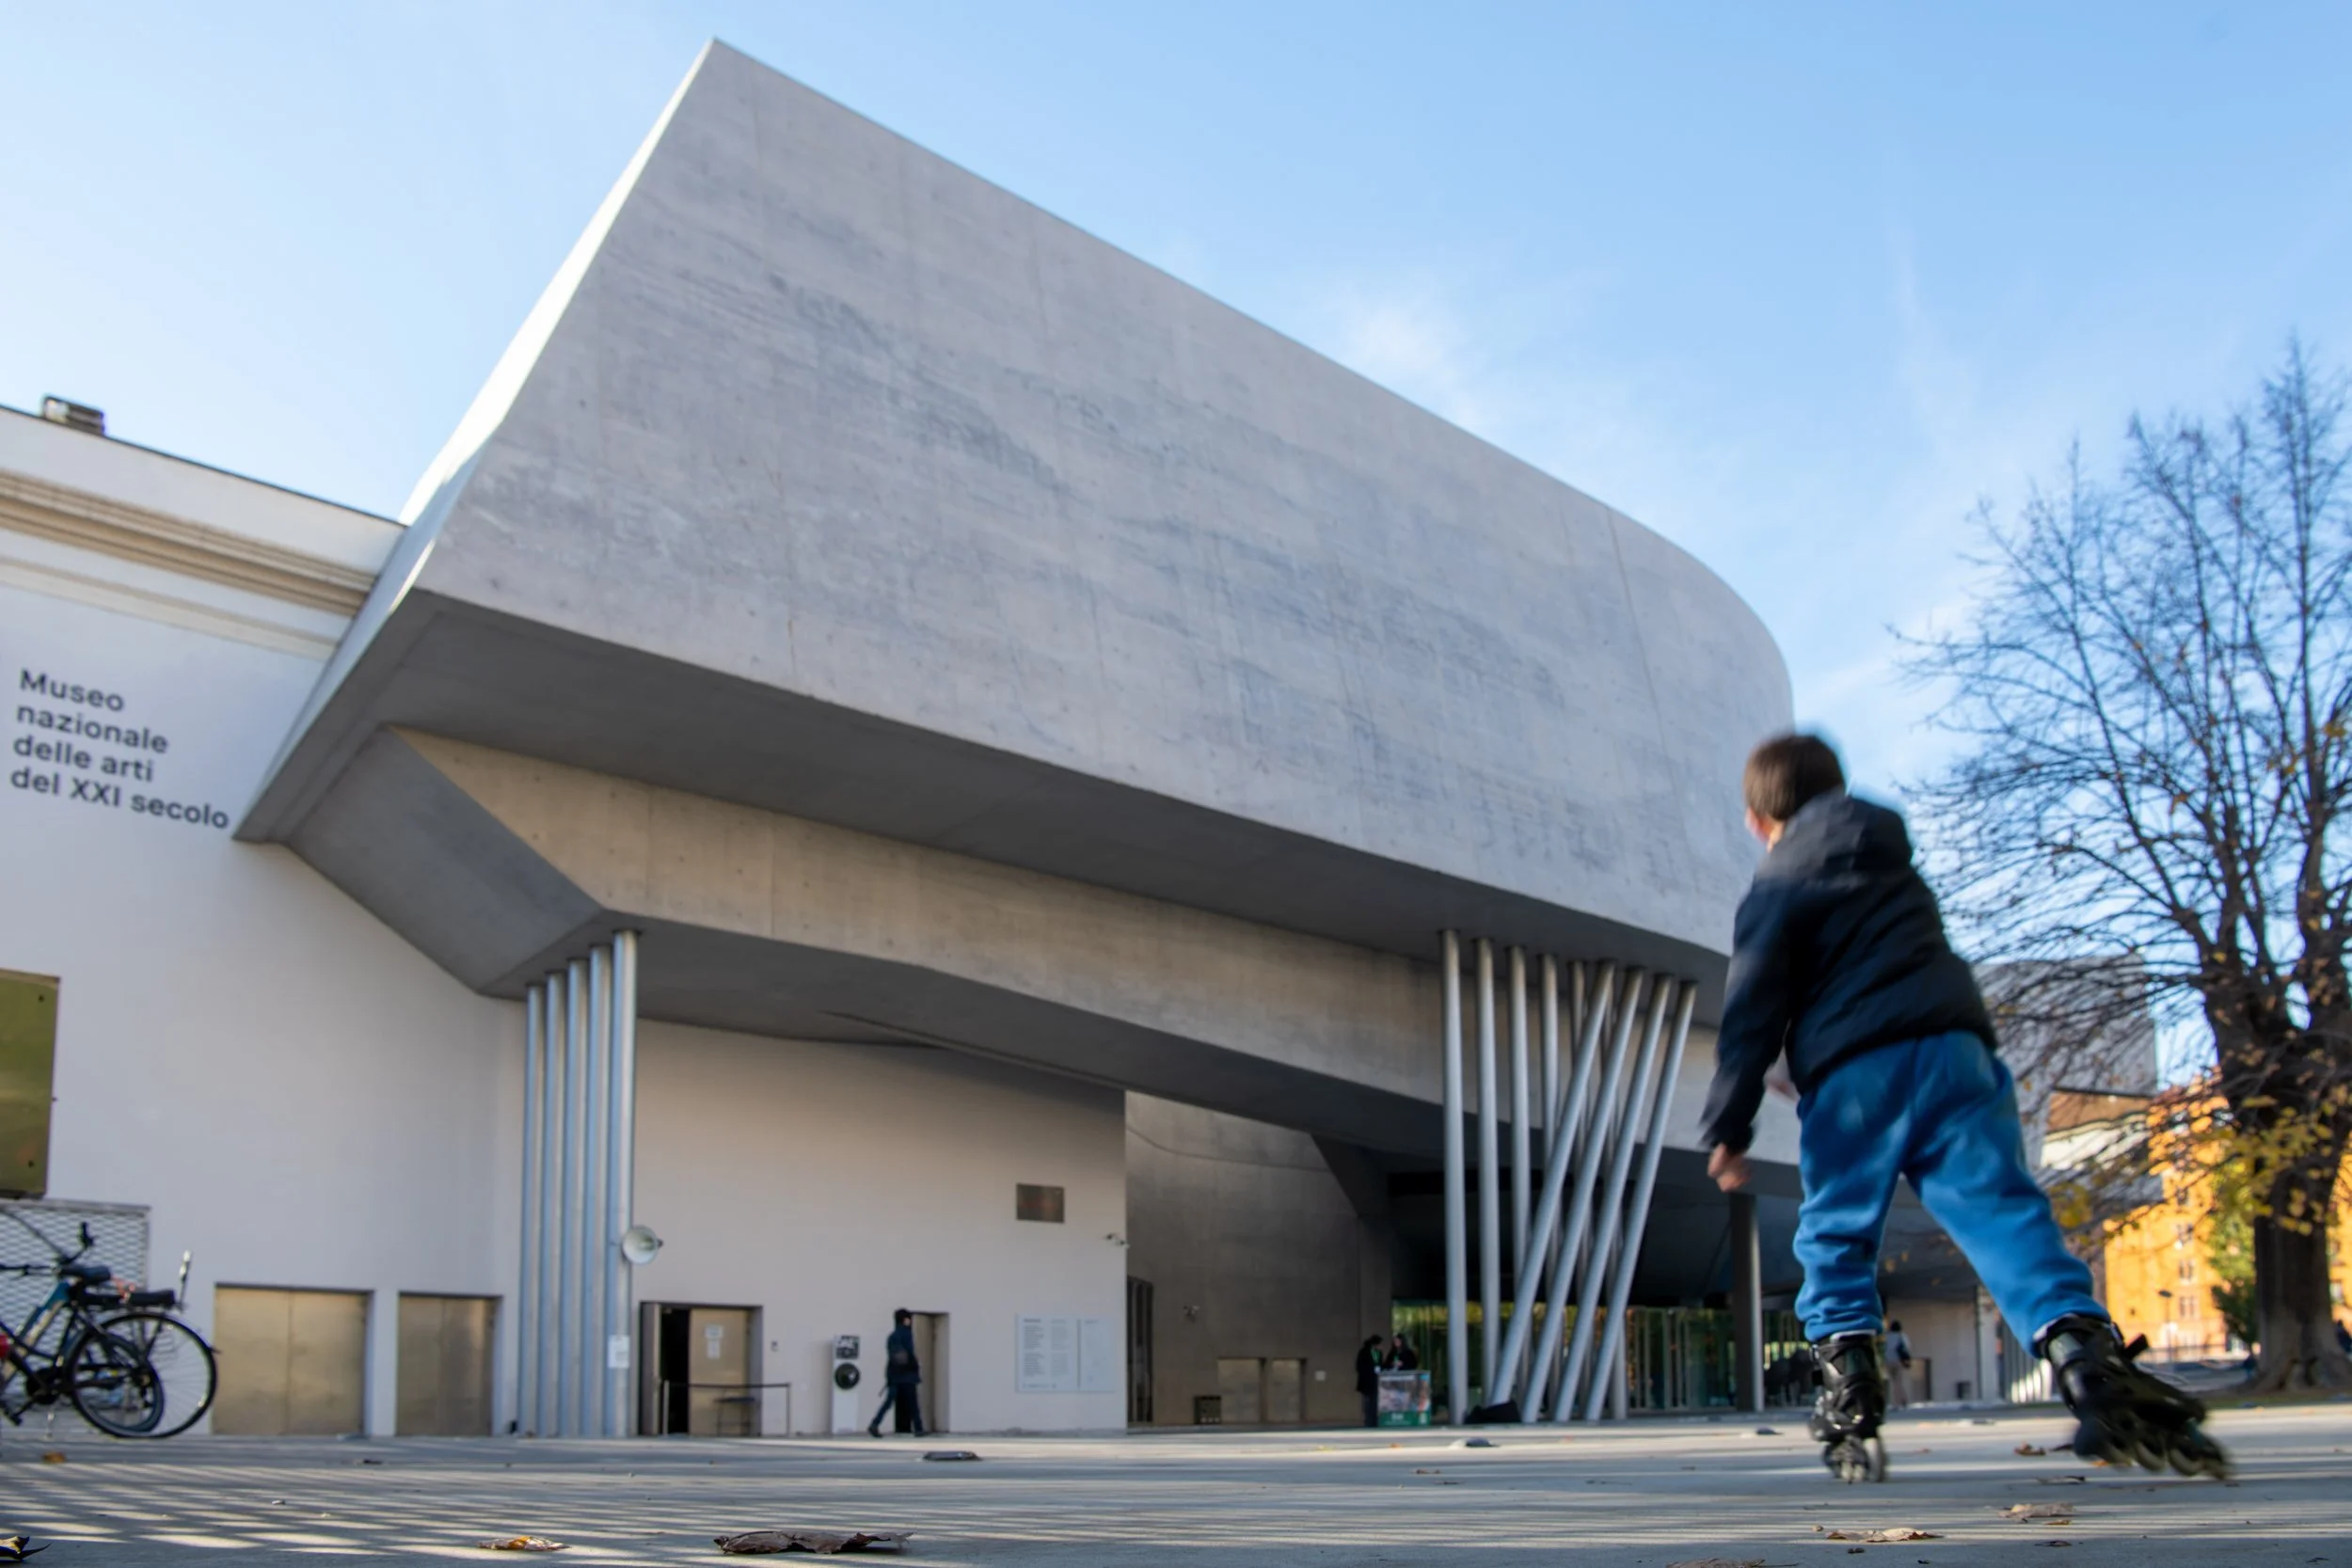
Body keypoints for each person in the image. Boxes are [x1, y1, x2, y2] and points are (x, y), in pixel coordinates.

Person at [1701, 734, 2227, 1482]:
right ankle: (2084, 1358)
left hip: (1856, 1074)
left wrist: (1730, 1124)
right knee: (2003, 1210)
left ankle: (1849, 1384)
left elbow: (1752, 1007)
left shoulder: (1776, 883)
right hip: (1956, 1050)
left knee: (1838, 1224)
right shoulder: (1891, 858)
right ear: (1837, 789)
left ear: (1758, 820)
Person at [866, 1308, 927, 1438]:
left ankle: (875, 1424)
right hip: (907, 1375)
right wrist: (915, 1368)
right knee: (913, 1403)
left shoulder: (892, 1336)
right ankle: (919, 1429)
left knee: (888, 1402)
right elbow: (910, 1352)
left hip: (893, 1374)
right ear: (905, 1320)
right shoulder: (907, 1334)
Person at [1355, 1334, 1385, 1428]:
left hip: (1376, 1381)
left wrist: (1380, 1369)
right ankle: (1368, 1421)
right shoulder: (1364, 1352)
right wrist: (1371, 1370)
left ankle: (1375, 1421)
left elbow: (1382, 1364)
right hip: (1367, 1381)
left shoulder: (1379, 1353)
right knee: (1368, 1402)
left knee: (1376, 1402)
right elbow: (1359, 1366)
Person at [1883, 1319, 1913, 1409]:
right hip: (1898, 1361)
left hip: (1888, 1361)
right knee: (1898, 1382)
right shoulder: (1901, 1336)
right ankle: (1900, 1401)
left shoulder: (1886, 1336)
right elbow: (1905, 1348)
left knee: (1893, 1382)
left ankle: (1900, 1400)